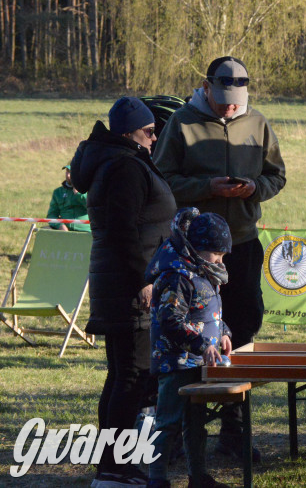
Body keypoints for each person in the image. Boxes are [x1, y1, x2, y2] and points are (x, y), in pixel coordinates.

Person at [153, 56, 286, 460]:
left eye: (236, 101)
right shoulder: (182, 123)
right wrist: (206, 187)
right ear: (206, 87)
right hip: (191, 255)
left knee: (242, 328)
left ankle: (234, 430)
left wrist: (253, 188)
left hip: (241, 245)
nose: (230, 107)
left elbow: (277, 175)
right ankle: (178, 434)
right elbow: (162, 179)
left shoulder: (258, 123)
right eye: (223, 98)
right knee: (186, 332)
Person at [70, 97, 177, 488]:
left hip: (118, 283)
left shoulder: (117, 162)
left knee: (121, 375)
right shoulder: (125, 167)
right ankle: (115, 466)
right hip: (130, 286)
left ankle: (110, 465)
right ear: (130, 132)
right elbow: (123, 231)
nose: (154, 138)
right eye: (149, 131)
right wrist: (144, 281)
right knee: (131, 376)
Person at [147, 209, 234, 488]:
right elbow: (170, 320)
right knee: (167, 423)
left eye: (223, 256)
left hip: (196, 362)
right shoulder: (178, 276)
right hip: (175, 363)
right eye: (216, 254)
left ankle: (198, 477)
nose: (220, 261)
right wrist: (201, 343)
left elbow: (206, 313)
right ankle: (156, 479)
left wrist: (222, 333)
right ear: (197, 248)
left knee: (196, 424)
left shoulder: (202, 272)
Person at [46, 164, 89, 231]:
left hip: (86, 231)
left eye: (72, 172)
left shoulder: (89, 190)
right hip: (64, 232)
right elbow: (51, 215)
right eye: (67, 171)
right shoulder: (58, 192)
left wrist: (79, 194)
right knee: (44, 231)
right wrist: (59, 225)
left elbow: (93, 208)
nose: (68, 175)